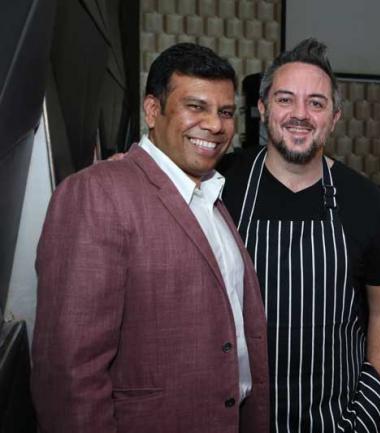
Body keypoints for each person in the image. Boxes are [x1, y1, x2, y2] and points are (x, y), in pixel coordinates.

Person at [31, 43, 269, 433]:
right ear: (153, 110)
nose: (215, 125)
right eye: (196, 107)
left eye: (225, 112)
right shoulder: (97, 193)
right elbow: (69, 371)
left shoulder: (212, 195)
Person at [219, 38, 380, 433]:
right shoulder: (221, 187)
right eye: (285, 100)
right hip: (241, 420)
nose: (300, 115)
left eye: (316, 103)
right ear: (263, 108)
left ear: (334, 118)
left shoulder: (364, 199)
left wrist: (366, 410)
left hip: (342, 418)